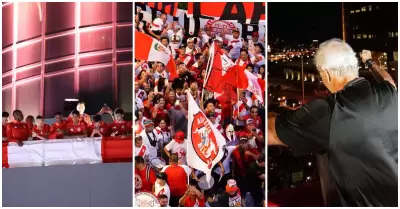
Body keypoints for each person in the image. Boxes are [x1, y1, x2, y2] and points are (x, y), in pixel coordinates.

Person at [268, 39, 397, 206]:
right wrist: (371, 62)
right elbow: (389, 81)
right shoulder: (390, 94)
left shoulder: (329, 111)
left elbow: (270, 132)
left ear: (326, 73)